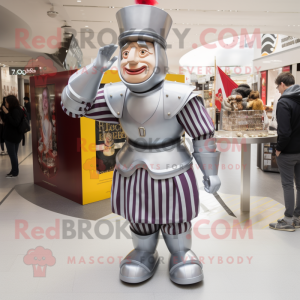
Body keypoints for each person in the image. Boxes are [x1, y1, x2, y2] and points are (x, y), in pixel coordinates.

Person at [61, 4, 221, 285]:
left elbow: (203, 134)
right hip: (131, 168)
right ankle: (144, 253)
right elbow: (75, 107)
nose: (131, 60)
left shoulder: (179, 94)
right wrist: (97, 66)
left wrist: (211, 172)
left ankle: (181, 252)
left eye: (143, 52)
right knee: (140, 218)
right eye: (125, 53)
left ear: (160, 56)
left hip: (174, 165)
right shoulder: (116, 94)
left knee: (176, 219)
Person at [269, 72, 300, 231]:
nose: (278, 90)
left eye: (278, 87)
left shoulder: (284, 102)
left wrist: (279, 148)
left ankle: (288, 220)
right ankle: (298, 217)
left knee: (288, 185)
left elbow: (285, 132)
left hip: (288, 152)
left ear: (282, 84)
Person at [1, 95, 24, 178]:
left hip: (12, 136)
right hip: (15, 136)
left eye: (7, 102)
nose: (6, 104)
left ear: (10, 102)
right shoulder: (16, 109)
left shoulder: (15, 111)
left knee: (12, 155)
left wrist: (7, 114)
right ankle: (14, 170)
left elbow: (15, 123)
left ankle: (14, 172)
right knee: (14, 154)